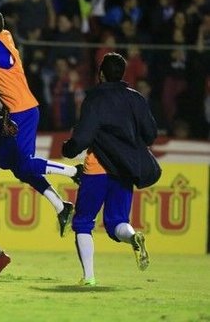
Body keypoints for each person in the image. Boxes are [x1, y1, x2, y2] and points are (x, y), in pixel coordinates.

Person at [0, 9, 81, 237]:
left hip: (21, 111)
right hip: (19, 110)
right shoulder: (4, 38)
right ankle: (62, 206)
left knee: (26, 164)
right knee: (10, 164)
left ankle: (74, 172)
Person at [62, 52, 157, 286]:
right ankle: (133, 237)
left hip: (97, 168)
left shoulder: (95, 99)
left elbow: (83, 136)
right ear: (122, 74)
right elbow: (151, 134)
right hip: (125, 169)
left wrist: (68, 149)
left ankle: (89, 277)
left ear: (101, 74)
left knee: (83, 221)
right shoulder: (136, 98)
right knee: (117, 224)